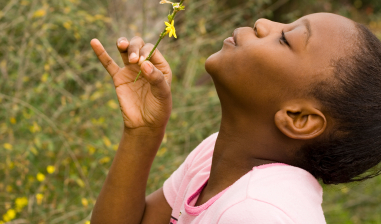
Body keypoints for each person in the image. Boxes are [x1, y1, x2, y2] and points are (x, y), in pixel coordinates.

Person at [89, 13, 381, 223]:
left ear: (299, 118)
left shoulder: (257, 212)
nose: (263, 23)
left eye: (285, 38)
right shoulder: (213, 157)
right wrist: (143, 131)